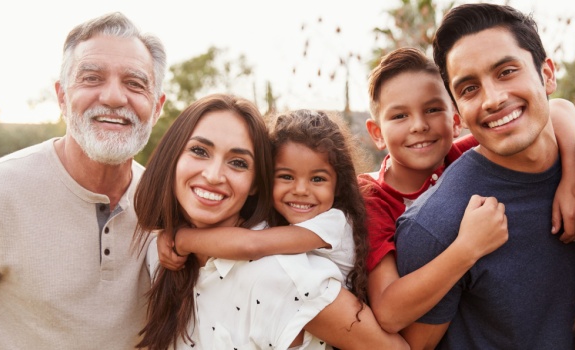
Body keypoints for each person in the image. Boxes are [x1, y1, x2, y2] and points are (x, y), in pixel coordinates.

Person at [135, 94, 407, 350]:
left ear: (256, 183)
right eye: (199, 151)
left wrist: (181, 240)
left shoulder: (282, 274)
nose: (214, 175)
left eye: (238, 162)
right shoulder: (155, 253)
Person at [393, 4, 575, 349]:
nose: (493, 100)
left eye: (506, 72)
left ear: (547, 75)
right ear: (459, 114)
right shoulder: (438, 226)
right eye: (469, 89)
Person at [0, 12, 166, 348]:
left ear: (157, 107)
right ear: (62, 96)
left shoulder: (167, 206)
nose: (113, 98)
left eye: (135, 83)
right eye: (92, 78)